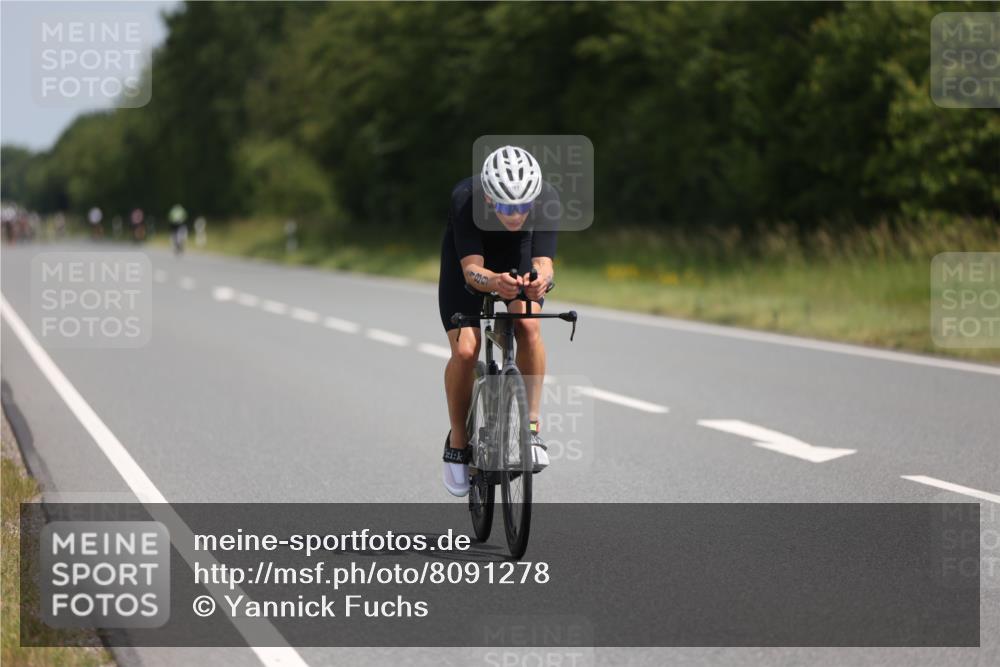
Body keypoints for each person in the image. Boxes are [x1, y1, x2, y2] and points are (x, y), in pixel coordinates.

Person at [439, 146, 559, 497]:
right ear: (490, 200)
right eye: (507, 208)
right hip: (472, 261)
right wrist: (494, 282)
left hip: (516, 255)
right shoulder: (465, 198)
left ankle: (531, 428)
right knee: (465, 350)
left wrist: (541, 279)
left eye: (523, 207)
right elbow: (471, 270)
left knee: (528, 326)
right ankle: (458, 442)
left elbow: (546, 262)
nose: (516, 215)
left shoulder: (544, 198)